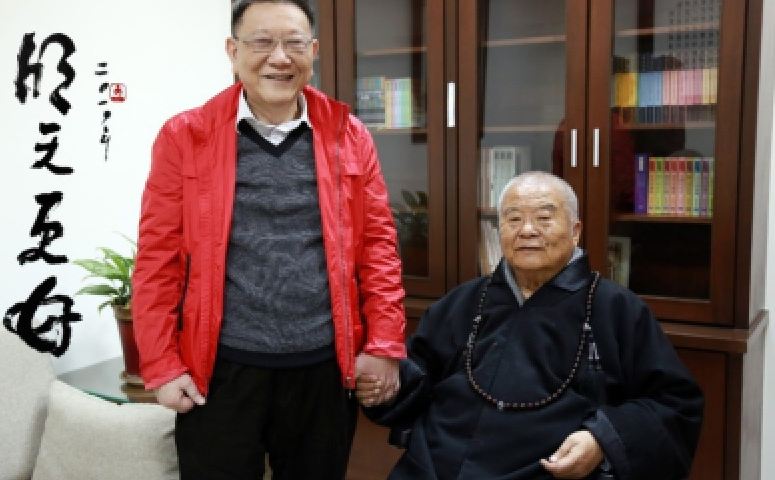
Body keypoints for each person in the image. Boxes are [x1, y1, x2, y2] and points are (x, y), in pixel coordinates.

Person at [131, 1, 406, 478]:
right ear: (233, 51)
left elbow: (378, 249)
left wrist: (383, 346)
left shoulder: (349, 135)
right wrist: (162, 365)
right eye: (261, 42)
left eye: (294, 43)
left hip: (324, 367)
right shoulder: (185, 136)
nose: (279, 57)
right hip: (218, 370)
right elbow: (158, 260)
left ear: (313, 51)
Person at [357, 171, 704, 480]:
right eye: (513, 219)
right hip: (437, 463)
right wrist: (387, 382)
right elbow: (418, 375)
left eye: (544, 218)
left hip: (548, 469)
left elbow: (675, 404)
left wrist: (602, 440)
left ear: (576, 231)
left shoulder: (615, 308)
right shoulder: (465, 300)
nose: (527, 230)